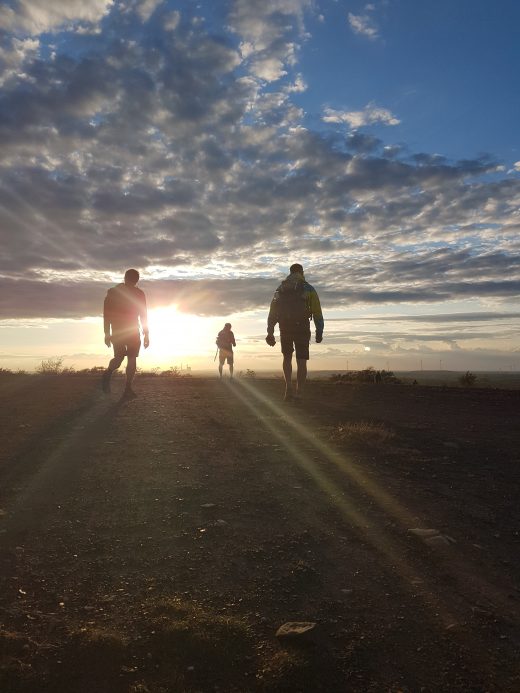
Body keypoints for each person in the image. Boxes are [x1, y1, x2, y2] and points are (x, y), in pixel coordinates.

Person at [265, 263, 323, 401]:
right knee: (301, 361)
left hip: (285, 327)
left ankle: (288, 388)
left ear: (289, 272)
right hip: (302, 327)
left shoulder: (280, 289)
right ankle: (299, 392)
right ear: (302, 272)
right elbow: (317, 312)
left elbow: (272, 313)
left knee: (287, 357)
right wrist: (319, 331)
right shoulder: (308, 288)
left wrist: (270, 332)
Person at [102, 268, 149, 398]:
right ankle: (109, 375)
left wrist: (146, 333)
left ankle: (127, 388)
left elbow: (143, 314)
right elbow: (107, 315)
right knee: (120, 358)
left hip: (131, 330)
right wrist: (106, 333)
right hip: (121, 331)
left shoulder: (138, 294)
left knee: (130, 358)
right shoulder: (113, 293)